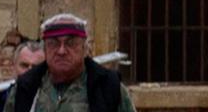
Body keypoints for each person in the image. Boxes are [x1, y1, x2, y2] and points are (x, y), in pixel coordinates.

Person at [8, 13, 136, 112]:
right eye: (54, 43)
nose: (62, 51)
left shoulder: (108, 88)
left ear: (85, 49)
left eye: (71, 43)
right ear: (45, 49)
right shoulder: (26, 88)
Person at [0, 39, 45, 112]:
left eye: (35, 67)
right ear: (13, 66)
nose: (29, 71)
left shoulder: (54, 102)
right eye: (24, 65)